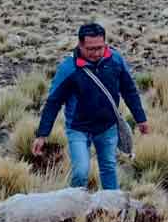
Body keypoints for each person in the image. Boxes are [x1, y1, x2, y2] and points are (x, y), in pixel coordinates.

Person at [32, 23, 148, 190]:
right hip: (78, 129)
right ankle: (76, 209)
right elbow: (53, 102)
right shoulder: (69, 68)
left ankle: (112, 208)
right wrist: (42, 134)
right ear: (80, 45)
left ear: (105, 43)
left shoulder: (115, 61)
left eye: (99, 48)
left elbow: (129, 90)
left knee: (108, 168)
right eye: (90, 49)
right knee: (80, 172)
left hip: (107, 127)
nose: (95, 53)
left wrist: (140, 118)